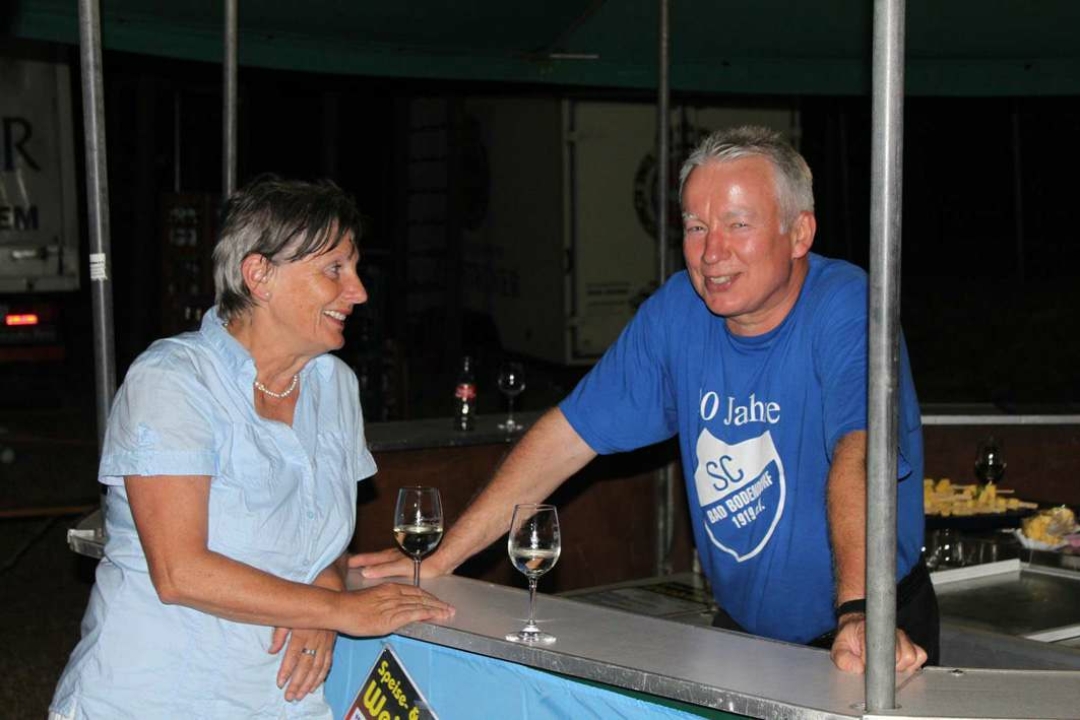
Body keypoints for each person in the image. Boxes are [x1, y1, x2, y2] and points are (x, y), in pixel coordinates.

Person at [355, 126, 937, 674]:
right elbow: (566, 438)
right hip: (745, 632)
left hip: (868, 624)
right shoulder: (679, 310)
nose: (711, 253)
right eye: (696, 227)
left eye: (737, 224)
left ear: (800, 233)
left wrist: (859, 611)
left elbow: (860, 455)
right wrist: (443, 558)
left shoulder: (847, 305)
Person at [50, 178, 453, 719]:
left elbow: (321, 535)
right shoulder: (173, 381)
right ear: (259, 275)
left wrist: (326, 589)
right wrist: (338, 609)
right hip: (158, 697)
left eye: (354, 269)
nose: (358, 292)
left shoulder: (335, 386)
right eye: (334, 269)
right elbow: (180, 572)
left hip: (283, 699)